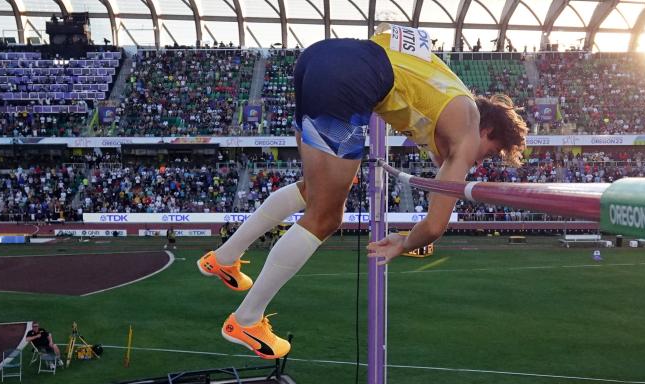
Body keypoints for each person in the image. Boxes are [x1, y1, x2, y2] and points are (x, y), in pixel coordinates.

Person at [197, 23, 527, 359]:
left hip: (320, 57)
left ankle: (223, 259)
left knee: (314, 191)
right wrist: (405, 243)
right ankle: (246, 320)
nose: (477, 161)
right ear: (487, 130)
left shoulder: (447, 88)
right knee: (326, 217)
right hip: (349, 80)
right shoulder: (468, 131)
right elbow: (434, 225)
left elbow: (392, 35)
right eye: (488, 152)